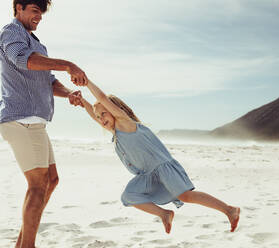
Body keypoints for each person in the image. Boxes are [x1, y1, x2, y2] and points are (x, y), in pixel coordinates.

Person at [76, 80, 240, 234]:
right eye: (99, 116)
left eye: (104, 113)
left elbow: (102, 98)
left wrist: (87, 82)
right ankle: (164, 214)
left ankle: (229, 210)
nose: (101, 119)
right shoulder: (116, 131)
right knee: (129, 195)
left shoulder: (125, 124)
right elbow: (94, 114)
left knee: (186, 196)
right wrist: (82, 102)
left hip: (163, 168)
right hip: (147, 175)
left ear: (115, 110)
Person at [0, 1, 88, 248]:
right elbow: (23, 60)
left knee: (52, 180)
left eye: (42, 13)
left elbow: (48, 80)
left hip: (35, 122)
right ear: (19, 8)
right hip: (21, 118)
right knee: (37, 186)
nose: (39, 17)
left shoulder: (37, 44)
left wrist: (68, 93)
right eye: (35, 11)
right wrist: (68, 64)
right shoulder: (10, 32)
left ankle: (21, 244)